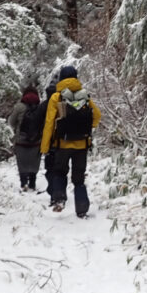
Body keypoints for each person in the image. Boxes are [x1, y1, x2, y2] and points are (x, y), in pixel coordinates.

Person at [40, 65, 101, 217]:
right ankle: (82, 209)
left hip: (62, 143)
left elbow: (49, 123)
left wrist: (45, 147)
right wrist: (87, 128)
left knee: (60, 172)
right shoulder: (84, 95)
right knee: (79, 178)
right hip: (82, 144)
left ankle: (59, 200)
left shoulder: (57, 97)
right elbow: (97, 115)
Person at [8, 86, 43, 191]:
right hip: (37, 141)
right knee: (34, 161)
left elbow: (11, 122)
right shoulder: (40, 107)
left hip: (21, 140)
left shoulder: (19, 107)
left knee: (22, 162)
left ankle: (24, 183)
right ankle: (32, 182)